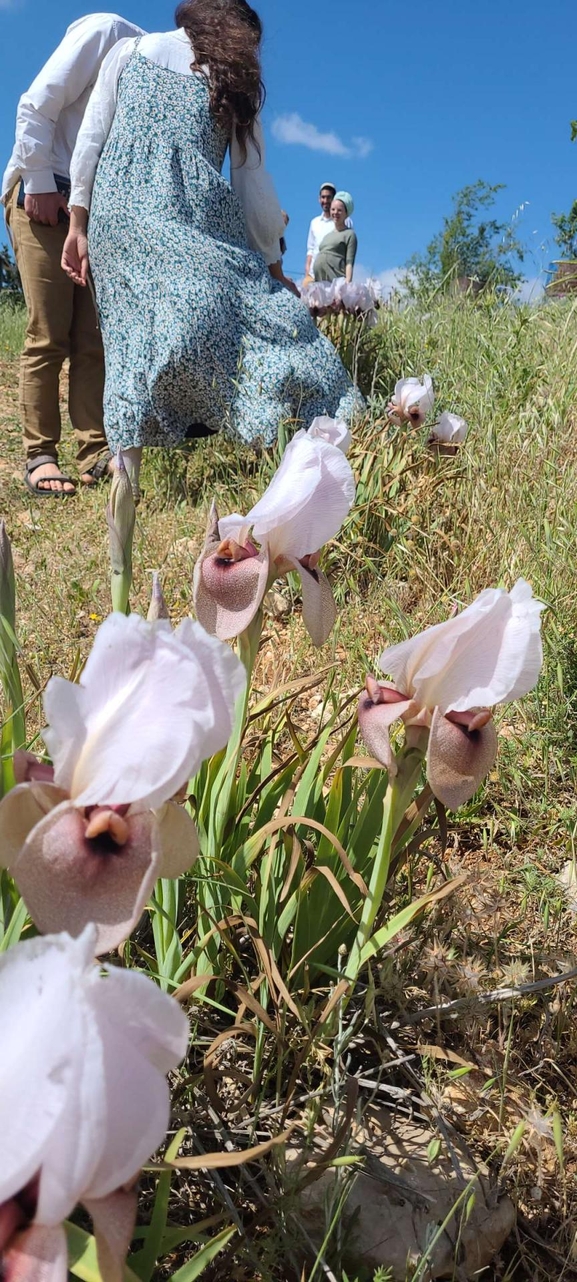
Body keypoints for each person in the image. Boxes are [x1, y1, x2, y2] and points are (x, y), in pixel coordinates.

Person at [61, 0, 362, 491]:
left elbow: (91, 139)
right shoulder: (230, 83)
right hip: (172, 222)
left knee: (132, 338)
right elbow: (253, 186)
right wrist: (271, 264)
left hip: (114, 221)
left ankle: (126, 471)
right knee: (271, 319)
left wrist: (80, 221)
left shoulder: (128, 51)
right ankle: (308, 436)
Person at [2, 13, 144, 496]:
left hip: (91, 211)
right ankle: (40, 454)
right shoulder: (109, 31)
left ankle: (94, 451)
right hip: (43, 193)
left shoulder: (165, 72)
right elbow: (36, 103)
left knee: (92, 338)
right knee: (49, 332)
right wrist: (37, 180)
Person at [304, 182, 353, 283]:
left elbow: (349, 252)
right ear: (319, 199)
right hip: (313, 278)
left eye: (328, 197)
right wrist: (307, 272)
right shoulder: (314, 222)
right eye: (323, 197)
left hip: (335, 278)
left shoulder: (346, 221)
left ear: (334, 199)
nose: (325, 201)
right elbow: (310, 250)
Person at [313, 192, 358, 283]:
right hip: (320, 283)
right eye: (333, 209)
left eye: (339, 210)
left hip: (336, 283)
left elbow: (349, 263)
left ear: (346, 213)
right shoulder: (327, 236)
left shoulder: (349, 234)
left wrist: (347, 283)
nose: (335, 212)